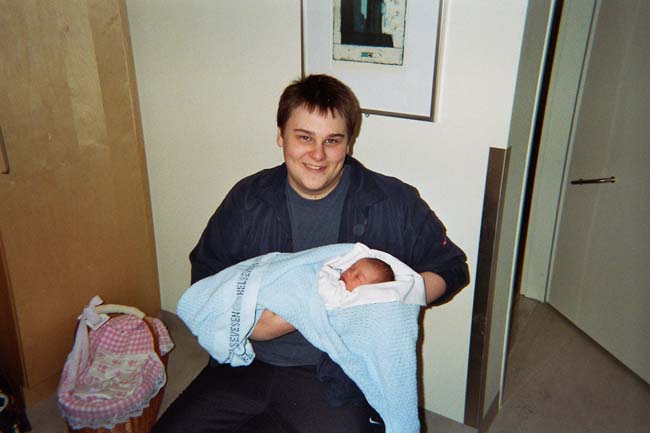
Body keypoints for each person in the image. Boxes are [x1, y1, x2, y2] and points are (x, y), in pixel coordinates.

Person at [152, 74, 469, 433]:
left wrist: (390, 297)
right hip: (245, 360)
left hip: (335, 373)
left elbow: (451, 267)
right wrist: (253, 326)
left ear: (349, 143)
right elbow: (206, 273)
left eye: (332, 140)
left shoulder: (392, 202)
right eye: (304, 137)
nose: (318, 155)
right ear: (281, 136)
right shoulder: (248, 198)